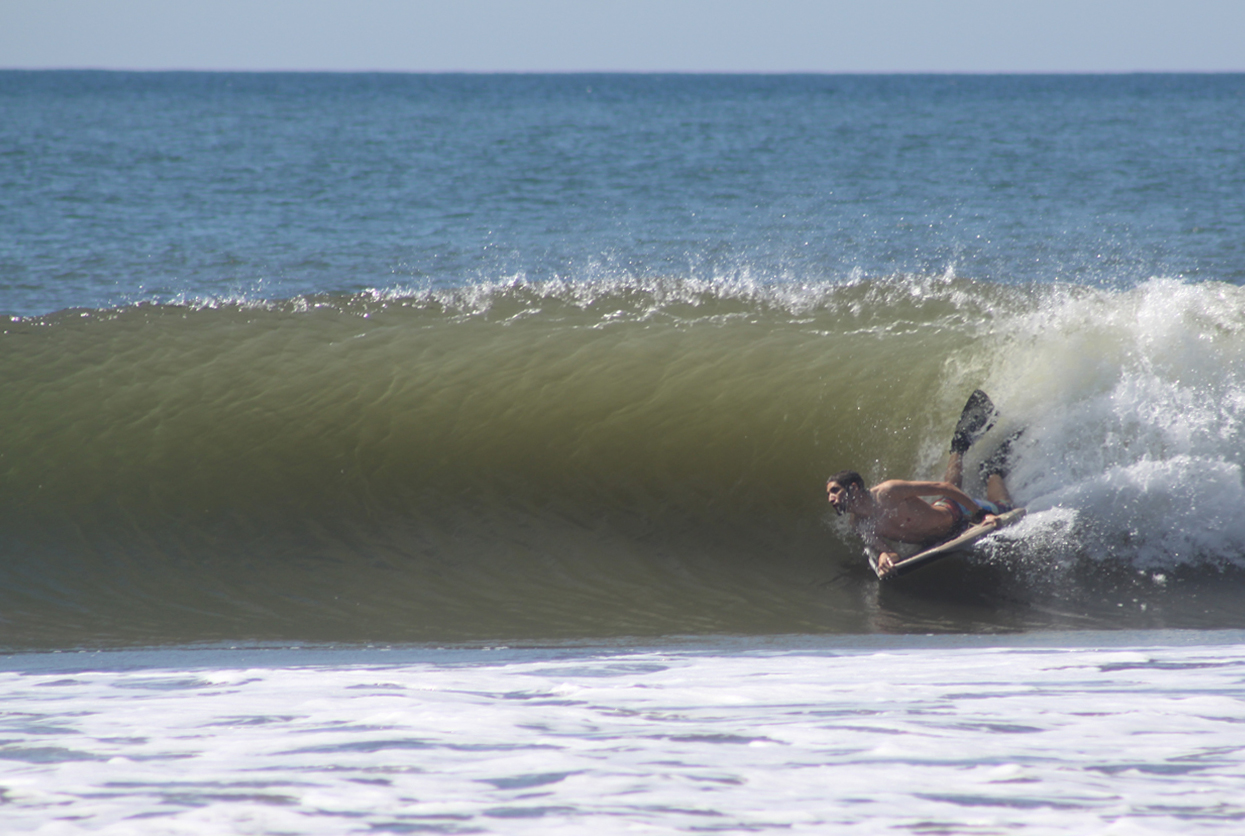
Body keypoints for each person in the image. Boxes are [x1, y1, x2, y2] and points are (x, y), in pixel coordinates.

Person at [826, 390, 1015, 578]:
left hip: (957, 515)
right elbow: (893, 554)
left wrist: (981, 514)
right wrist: (885, 557)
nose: (830, 498)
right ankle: (959, 449)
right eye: (828, 494)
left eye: (834, 491)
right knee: (946, 497)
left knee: (1004, 507)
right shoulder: (859, 524)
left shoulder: (888, 492)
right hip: (934, 536)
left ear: (853, 487)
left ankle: (991, 468)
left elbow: (944, 488)